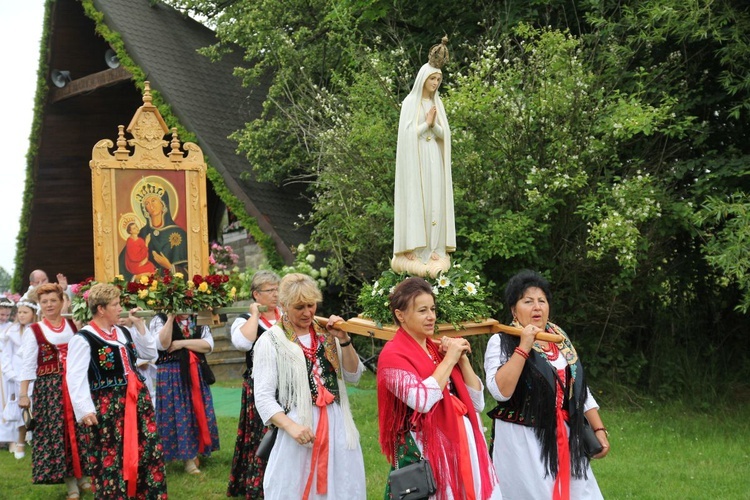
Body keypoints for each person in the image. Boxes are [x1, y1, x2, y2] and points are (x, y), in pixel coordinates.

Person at [483, 270, 609, 500]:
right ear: (514, 309)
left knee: (583, 494)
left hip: (566, 433)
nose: (537, 307)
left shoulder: (559, 337)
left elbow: (578, 387)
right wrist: (524, 346)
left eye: (542, 301)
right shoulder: (502, 341)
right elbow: (500, 392)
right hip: (522, 439)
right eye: (528, 301)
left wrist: (598, 429)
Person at [377, 277, 500, 499]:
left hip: (462, 442)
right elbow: (421, 401)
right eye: (422, 310)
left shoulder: (436, 349)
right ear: (400, 315)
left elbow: (476, 403)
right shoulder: (392, 355)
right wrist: (449, 359)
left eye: (433, 309)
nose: (431, 316)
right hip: (427, 448)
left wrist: (462, 360)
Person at [253, 273, 366, 499]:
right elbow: (263, 397)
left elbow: (353, 376)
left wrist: (344, 339)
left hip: (337, 424)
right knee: (295, 483)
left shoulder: (328, 332)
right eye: (299, 307)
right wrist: (292, 427)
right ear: (283, 305)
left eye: (311, 305)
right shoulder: (271, 340)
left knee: (342, 481)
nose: (307, 313)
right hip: (299, 424)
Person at [66, 283, 167, 498]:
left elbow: (150, 353)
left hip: (137, 401)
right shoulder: (83, 338)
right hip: (108, 406)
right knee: (112, 454)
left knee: (145, 450)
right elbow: (75, 377)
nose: (120, 308)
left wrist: (139, 325)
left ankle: (145, 493)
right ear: (101, 309)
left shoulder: (122, 331)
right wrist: (85, 410)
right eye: (115, 304)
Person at [17, 283, 91, 500]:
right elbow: (28, 365)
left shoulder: (72, 325)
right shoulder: (35, 330)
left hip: (76, 384)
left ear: (62, 302)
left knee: (80, 430)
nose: (49, 305)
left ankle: (83, 477)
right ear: (40, 305)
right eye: (44, 302)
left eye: (53, 300)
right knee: (59, 435)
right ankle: (71, 486)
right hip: (50, 390)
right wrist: (24, 395)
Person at [391, 37, 456, 278]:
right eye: (432, 79)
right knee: (417, 201)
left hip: (433, 160)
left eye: (439, 79)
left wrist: (433, 126)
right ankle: (414, 248)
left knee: (434, 202)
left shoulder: (437, 103)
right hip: (415, 163)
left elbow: (444, 135)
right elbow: (407, 137)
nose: (436, 83)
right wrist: (425, 125)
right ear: (423, 79)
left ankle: (434, 248)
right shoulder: (410, 103)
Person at [227, 270, 282, 499]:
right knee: (261, 435)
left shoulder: (285, 315)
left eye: (277, 289)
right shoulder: (244, 320)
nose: (275, 294)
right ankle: (259, 485)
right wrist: (254, 315)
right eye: (270, 290)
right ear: (256, 295)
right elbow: (243, 343)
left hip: (288, 385)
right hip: (259, 385)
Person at [150, 311, 220, 474]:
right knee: (178, 412)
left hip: (195, 369)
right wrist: (170, 318)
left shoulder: (199, 317)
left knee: (197, 410)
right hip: (171, 373)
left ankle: (197, 450)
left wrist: (181, 344)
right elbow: (163, 344)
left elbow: (207, 345)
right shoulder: (159, 319)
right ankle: (186, 458)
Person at [0, 299, 38, 459]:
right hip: (13, 375)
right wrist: (10, 373)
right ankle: (14, 441)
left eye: (25, 312)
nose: (21, 315)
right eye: (20, 312)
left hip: (30, 374)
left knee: (31, 406)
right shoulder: (11, 332)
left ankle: (31, 438)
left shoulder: (36, 330)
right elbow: (5, 354)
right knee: (13, 406)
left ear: (33, 314)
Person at [138, 181, 188, 275]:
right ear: (145, 209)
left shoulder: (179, 233)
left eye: (153, 200)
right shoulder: (143, 233)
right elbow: (126, 266)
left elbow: (191, 272)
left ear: (163, 204)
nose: (151, 206)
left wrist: (170, 267)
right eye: (147, 203)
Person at [0, 297, 17, 448]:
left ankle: (9, 436)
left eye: (6, 315)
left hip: (7, 367)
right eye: (1, 314)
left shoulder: (12, 327)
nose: (4, 318)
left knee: (8, 400)